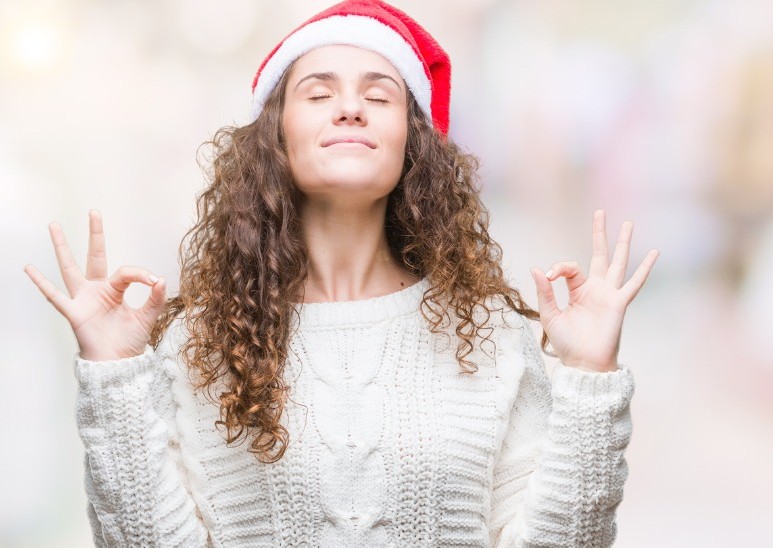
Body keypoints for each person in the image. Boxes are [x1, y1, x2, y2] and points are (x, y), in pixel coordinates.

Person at [24, 0, 659, 547]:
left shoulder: (490, 336)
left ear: (413, 142)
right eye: (319, 93)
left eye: (379, 96)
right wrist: (112, 370)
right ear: (276, 137)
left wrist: (590, 375)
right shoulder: (199, 344)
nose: (350, 108)